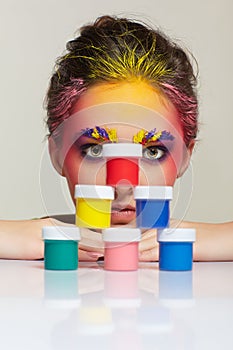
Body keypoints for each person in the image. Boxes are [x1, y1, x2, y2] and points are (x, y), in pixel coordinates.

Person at [0, 15, 232, 261]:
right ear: (56, 154)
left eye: (152, 151)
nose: (122, 185)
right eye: (95, 150)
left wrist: (212, 238)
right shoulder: (32, 247)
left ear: (186, 156)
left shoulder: (202, 252)